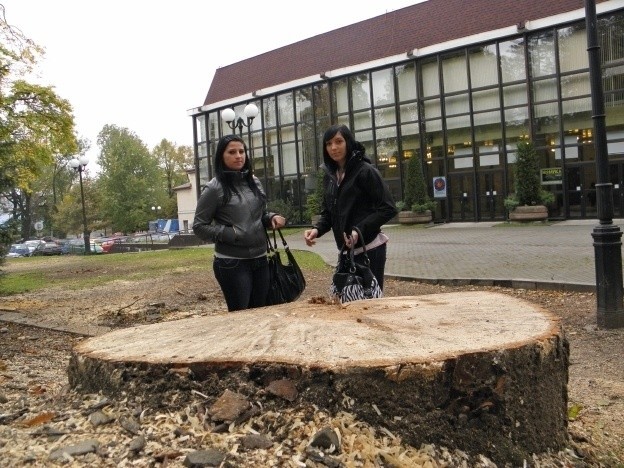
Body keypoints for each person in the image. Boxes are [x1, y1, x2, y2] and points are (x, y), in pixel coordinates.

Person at [193, 134, 286, 311]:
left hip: (261, 259)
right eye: (232, 152)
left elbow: (258, 214)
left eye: (242, 151)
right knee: (241, 317)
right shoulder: (214, 188)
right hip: (232, 263)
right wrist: (231, 233)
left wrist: (271, 218)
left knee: (260, 312)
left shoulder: (254, 182)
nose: (239, 156)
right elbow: (199, 226)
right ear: (222, 156)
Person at [303, 124, 397, 290]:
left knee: (370, 303)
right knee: (349, 304)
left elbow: (388, 208)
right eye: (329, 143)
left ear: (348, 142)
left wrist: (358, 230)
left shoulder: (366, 171)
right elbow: (329, 213)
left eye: (339, 141)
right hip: (347, 252)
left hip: (370, 249)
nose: (334, 147)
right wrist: (316, 230)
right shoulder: (330, 177)